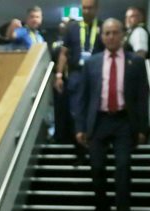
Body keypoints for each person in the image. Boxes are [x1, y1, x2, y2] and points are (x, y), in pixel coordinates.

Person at [75, 18, 149, 211]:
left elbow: (141, 98)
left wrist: (142, 128)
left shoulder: (135, 62)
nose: (110, 37)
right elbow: (83, 97)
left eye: (115, 33)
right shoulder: (92, 63)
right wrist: (80, 127)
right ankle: (102, 209)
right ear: (102, 36)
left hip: (124, 122)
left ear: (122, 35)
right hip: (98, 121)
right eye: (106, 33)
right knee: (97, 169)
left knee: (123, 169)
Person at [55, 0, 104, 131]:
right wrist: (59, 75)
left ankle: (93, 137)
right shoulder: (72, 28)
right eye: (84, 8)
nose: (87, 11)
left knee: (96, 105)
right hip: (76, 73)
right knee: (76, 106)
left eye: (90, 8)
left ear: (96, 9)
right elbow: (63, 53)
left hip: (97, 74)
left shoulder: (103, 27)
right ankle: (78, 137)